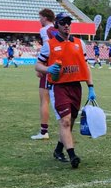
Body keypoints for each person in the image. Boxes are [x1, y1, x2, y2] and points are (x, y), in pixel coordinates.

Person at [36, 13, 95, 169]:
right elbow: (38, 66)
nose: (66, 25)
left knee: (71, 122)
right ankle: (72, 155)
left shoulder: (79, 43)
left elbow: (85, 66)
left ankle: (58, 150)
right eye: (63, 22)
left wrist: (91, 87)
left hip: (76, 86)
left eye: (69, 22)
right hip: (59, 87)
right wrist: (48, 69)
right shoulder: (49, 44)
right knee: (65, 121)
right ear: (57, 25)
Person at [32, 9, 59, 140]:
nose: (39, 20)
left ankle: (44, 131)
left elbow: (47, 48)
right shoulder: (56, 30)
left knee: (44, 100)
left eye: (40, 17)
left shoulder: (45, 31)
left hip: (49, 67)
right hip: (59, 67)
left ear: (45, 18)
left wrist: (41, 67)